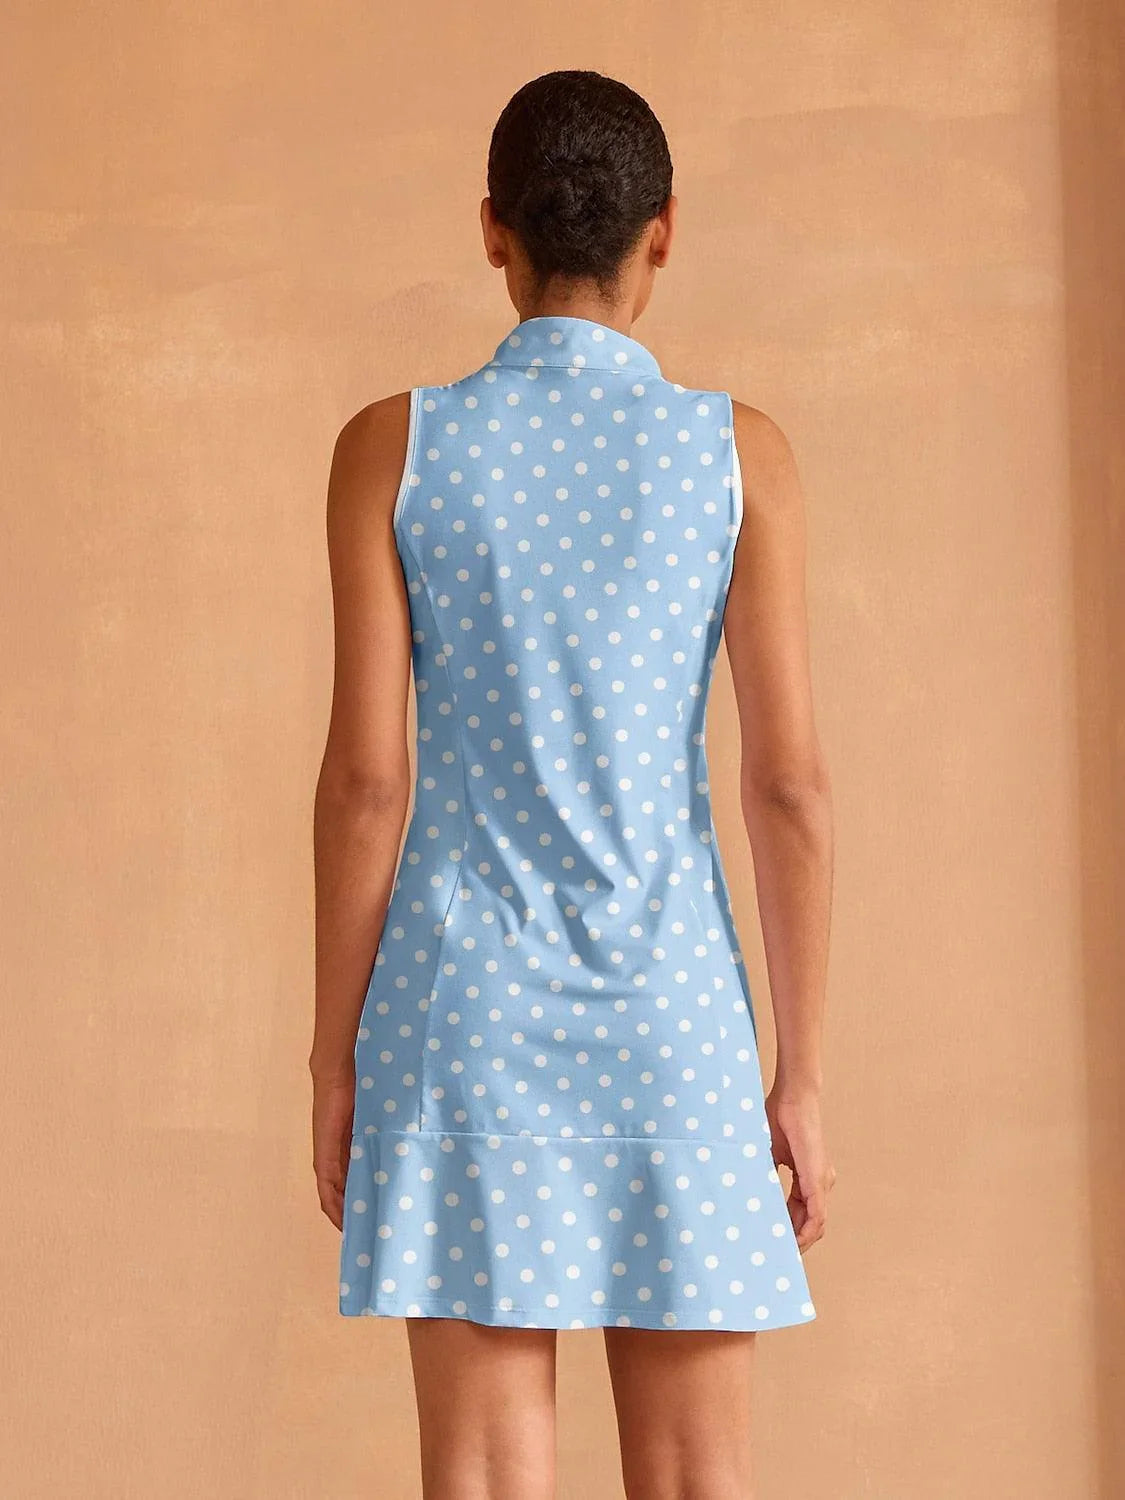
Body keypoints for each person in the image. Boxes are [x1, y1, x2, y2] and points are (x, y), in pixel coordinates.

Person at [310, 67, 835, 1500]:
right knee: (697, 1480)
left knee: (482, 1478)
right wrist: (797, 1073)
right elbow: (787, 787)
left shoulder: (395, 449)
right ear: (662, 233)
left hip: (462, 1009)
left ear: (493, 229)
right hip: (672, 1013)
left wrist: (334, 1055)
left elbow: (366, 785)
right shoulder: (737, 456)